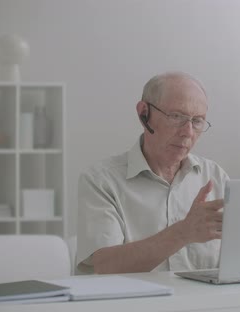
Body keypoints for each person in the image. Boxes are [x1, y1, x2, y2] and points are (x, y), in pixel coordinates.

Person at [76, 71, 229, 274]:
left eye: (197, 121)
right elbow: (104, 266)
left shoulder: (215, 176)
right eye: (176, 116)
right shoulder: (101, 181)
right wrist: (183, 232)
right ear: (144, 114)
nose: (188, 132)